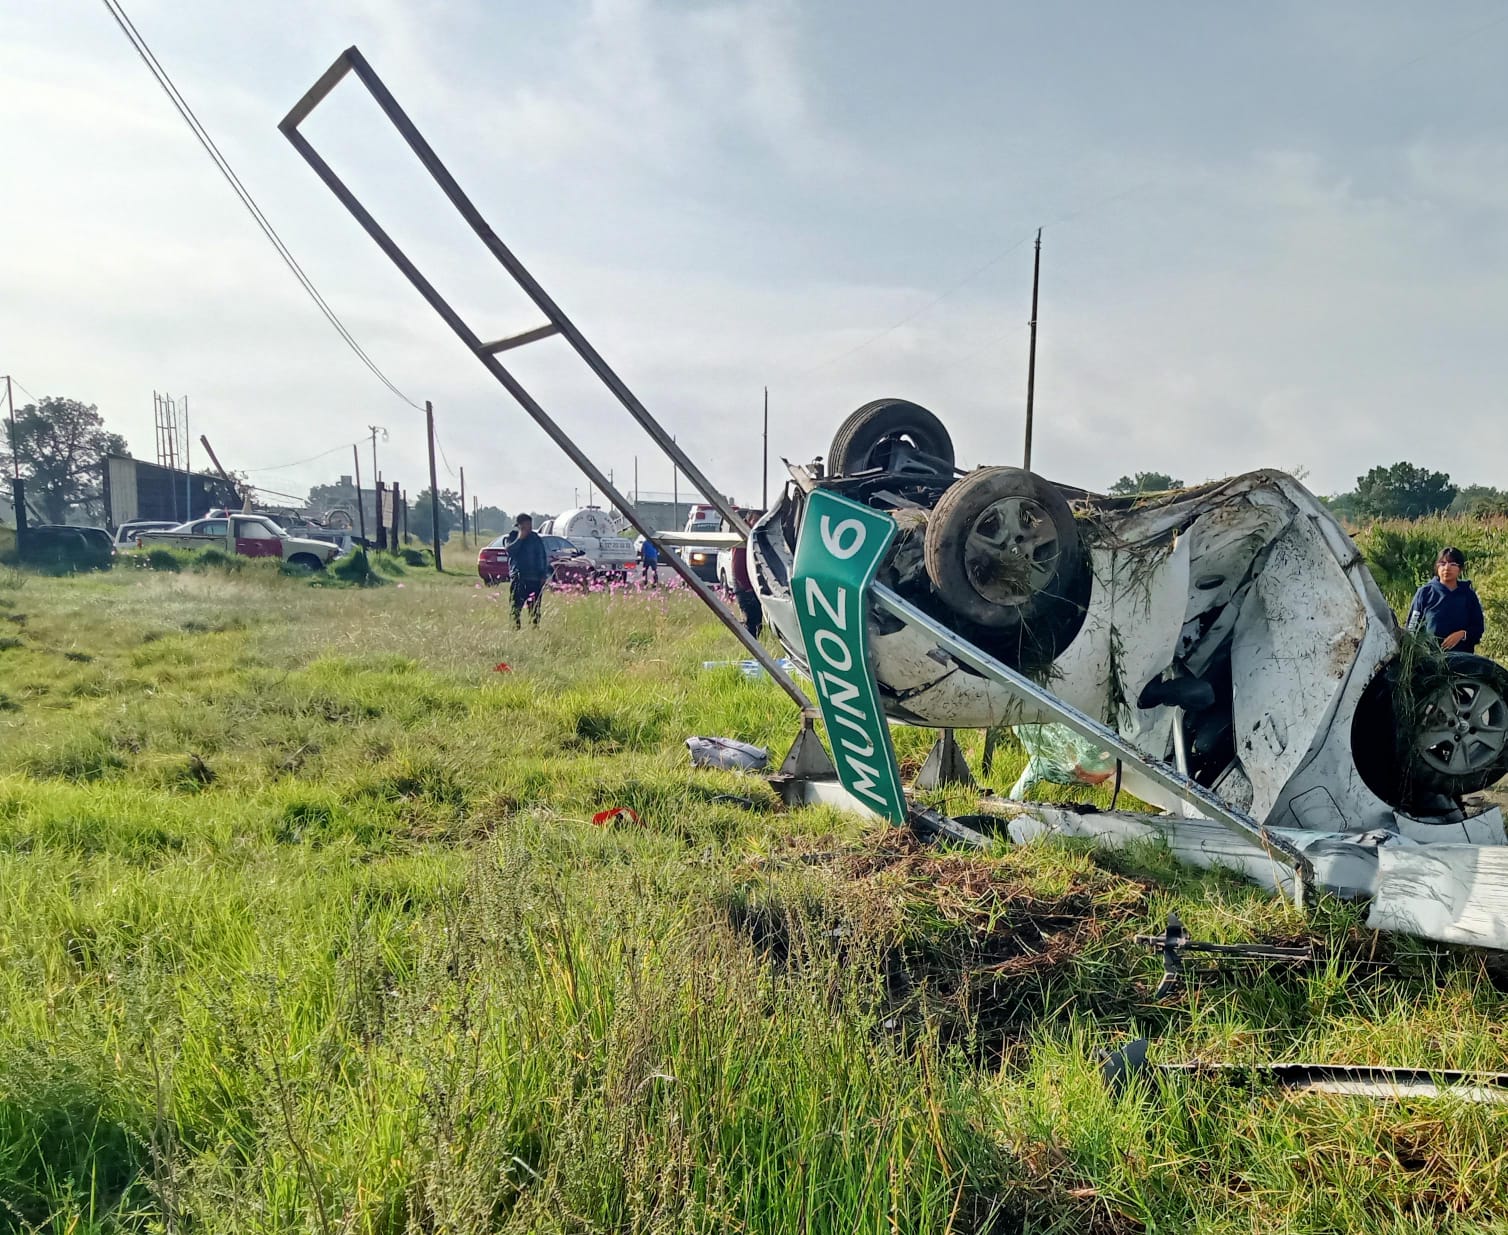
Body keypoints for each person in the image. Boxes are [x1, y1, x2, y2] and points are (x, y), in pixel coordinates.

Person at [1406, 545, 1484, 653]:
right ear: (1437, 567)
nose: (1447, 568)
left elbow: (1478, 628)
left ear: (1460, 569)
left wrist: (1462, 634)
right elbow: (1411, 628)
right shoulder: (1425, 593)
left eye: (1452, 564)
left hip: (1462, 660)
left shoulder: (1468, 595)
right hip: (1429, 659)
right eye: (1442, 564)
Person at [505, 513, 550, 629]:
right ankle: (515, 630)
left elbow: (542, 557)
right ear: (519, 526)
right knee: (516, 609)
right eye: (525, 526)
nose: (529, 529)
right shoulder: (512, 536)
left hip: (535, 580)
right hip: (519, 579)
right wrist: (520, 538)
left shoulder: (536, 539)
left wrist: (543, 575)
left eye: (530, 526)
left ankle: (534, 631)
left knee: (535, 610)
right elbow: (510, 551)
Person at [730, 542, 763, 638]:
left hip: (750, 586)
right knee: (752, 624)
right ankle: (750, 647)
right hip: (745, 588)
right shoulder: (742, 542)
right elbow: (738, 567)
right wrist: (747, 587)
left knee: (756, 624)